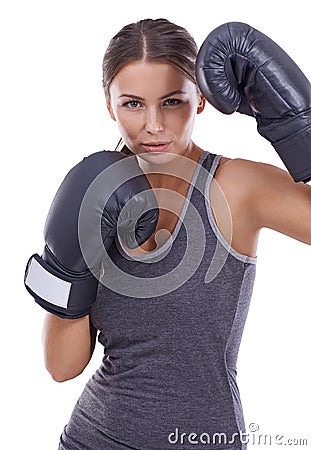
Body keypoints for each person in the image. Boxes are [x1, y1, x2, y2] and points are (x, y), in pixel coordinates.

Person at [24, 18, 311, 450]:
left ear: (201, 100)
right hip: (91, 438)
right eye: (133, 104)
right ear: (109, 105)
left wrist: (299, 126)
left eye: (172, 101)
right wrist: (65, 265)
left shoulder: (235, 187)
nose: (154, 125)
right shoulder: (96, 192)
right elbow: (62, 368)